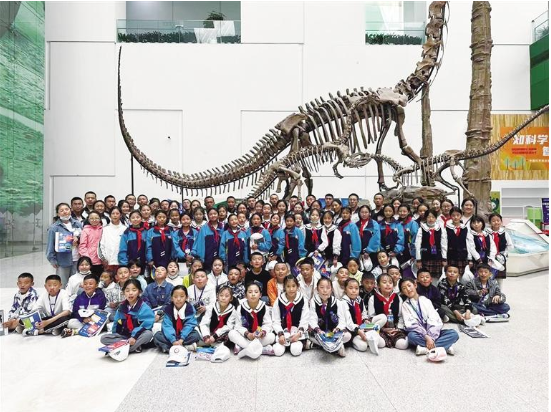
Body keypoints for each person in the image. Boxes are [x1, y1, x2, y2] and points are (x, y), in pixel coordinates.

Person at [400, 277, 459, 355]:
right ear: (402, 292)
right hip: (420, 334)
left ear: (415, 285)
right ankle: (443, 347)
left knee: (453, 334)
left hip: (433, 332)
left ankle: (425, 349)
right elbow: (411, 325)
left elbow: (434, 319)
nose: (408, 289)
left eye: (409, 285)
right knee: (411, 336)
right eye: (404, 288)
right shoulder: (405, 305)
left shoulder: (426, 300)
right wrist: (426, 337)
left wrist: (431, 337)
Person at [101, 279, 154, 353]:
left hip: (138, 336)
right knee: (104, 338)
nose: (130, 293)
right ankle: (133, 346)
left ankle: (126, 349)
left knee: (148, 334)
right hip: (125, 336)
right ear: (123, 292)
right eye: (127, 290)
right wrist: (115, 335)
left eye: (134, 290)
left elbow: (146, 325)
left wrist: (134, 337)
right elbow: (116, 323)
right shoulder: (121, 307)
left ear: (140, 292)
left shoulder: (144, 307)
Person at [229, 281, 276, 357]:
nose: (253, 294)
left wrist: (261, 332)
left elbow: (267, 324)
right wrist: (247, 334)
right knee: (231, 333)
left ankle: (243, 347)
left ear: (260, 295)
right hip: (246, 336)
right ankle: (262, 349)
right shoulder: (240, 308)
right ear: (246, 295)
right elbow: (238, 326)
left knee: (272, 336)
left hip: (259, 337)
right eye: (250, 292)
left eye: (256, 292)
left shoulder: (264, 307)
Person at [307, 277, 349, 357]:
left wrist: (338, 328)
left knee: (347, 336)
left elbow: (342, 320)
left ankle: (325, 346)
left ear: (331, 289)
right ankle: (337, 346)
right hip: (321, 333)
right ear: (317, 289)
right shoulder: (313, 301)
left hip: (333, 333)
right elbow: (312, 318)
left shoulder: (337, 302)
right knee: (308, 334)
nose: (325, 290)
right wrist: (318, 330)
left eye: (328, 288)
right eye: (322, 287)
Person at [153, 285, 201, 353]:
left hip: (185, 335)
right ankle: (184, 347)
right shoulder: (168, 309)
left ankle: (169, 348)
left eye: (182, 296)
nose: (178, 299)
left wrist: (182, 338)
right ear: (171, 298)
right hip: (171, 335)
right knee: (157, 336)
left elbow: (189, 325)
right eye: (175, 297)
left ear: (186, 297)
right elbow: (167, 326)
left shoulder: (190, 309)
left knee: (196, 335)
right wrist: (173, 340)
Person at [367, 274, 408, 350]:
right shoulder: (373, 298)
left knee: (402, 345)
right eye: (384, 282)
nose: (388, 284)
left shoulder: (398, 298)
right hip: (379, 329)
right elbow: (372, 318)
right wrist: (383, 329)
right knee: (381, 344)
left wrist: (397, 328)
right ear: (378, 285)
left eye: (390, 282)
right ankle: (374, 337)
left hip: (394, 328)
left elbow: (400, 316)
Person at [272, 275, 310, 356]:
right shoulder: (279, 300)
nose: (291, 289)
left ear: (298, 286)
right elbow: (276, 320)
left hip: (297, 331)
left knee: (295, 351)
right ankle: (289, 344)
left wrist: (299, 333)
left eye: (293, 286)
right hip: (283, 331)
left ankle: (300, 343)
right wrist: (280, 334)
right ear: (284, 287)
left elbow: (304, 319)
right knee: (278, 352)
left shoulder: (303, 300)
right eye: (288, 286)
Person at [46, 202, 83, 286]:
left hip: (77, 259)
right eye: (61, 210)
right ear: (58, 213)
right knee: (63, 284)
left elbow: (84, 240)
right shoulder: (54, 228)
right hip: (62, 260)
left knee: (76, 285)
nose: (65, 212)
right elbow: (50, 245)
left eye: (66, 209)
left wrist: (78, 240)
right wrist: (52, 260)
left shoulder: (77, 224)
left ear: (70, 210)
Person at [342, 278, 375, 353]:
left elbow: (364, 313)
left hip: (361, 326)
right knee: (363, 347)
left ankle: (368, 337)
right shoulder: (343, 302)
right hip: (351, 330)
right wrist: (358, 331)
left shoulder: (359, 300)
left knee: (375, 326)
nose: (354, 291)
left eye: (356, 288)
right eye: (351, 288)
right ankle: (355, 340)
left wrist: (365, 320)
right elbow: (348, 323)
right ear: (345, 290)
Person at [415, 209, 447, 283]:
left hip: (437, 257)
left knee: (437, 279)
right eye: (428, 217)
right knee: (425, 278)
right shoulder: (421, 229)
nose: (431, 219)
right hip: (425, 257)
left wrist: (444, 258)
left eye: (433, 217)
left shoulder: (440, 229)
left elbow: (444, 244)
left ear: (436, 218)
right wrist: (418, 259)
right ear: (425, 218)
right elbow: (417, 245)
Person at [442, 206, 472, 277]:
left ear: (461, 216)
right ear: (450, 216)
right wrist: (444, 258)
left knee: (462, 276)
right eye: (453, 215)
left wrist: (470, 258)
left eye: (458, 215)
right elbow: (444, 244)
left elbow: (469, 244)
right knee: (451, 276)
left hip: (463, 256)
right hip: (451, 256)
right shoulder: (446, 228)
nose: (455, 217)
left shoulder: (465, 228)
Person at [486, 213, 514, 288]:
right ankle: (489, 293)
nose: (496, 222)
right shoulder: (486, 233)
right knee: (488, 277)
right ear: (490, 222)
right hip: (489, 258)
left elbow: (510, 246)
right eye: (493, 221)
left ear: (501, 222)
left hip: (500, 259)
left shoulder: (504, 233)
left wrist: (503, 254)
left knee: (499, 278)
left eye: (498, 220)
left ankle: (499, 293)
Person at [99, 207, 127, 273]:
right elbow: (101, 245)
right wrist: (103, 259)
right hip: (108, 261)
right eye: (113, 213)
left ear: (120, 215)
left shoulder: (125, 229)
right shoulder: (105, 229)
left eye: (117, 213)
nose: (115, 215)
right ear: (110, 215)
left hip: (121, 261)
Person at [78, 211, 104, 276]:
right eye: (92, 218)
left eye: (96, 218)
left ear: (100, 219)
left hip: (101, 260)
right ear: (88, 219)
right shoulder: (85, 230)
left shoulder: (103, 230)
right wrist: (88, 259)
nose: (94, 220)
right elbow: (82, 246)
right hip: (90, 261)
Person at [397, 205, 418, 278]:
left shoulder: (413, 223)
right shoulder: (396, 223)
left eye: (404, 211)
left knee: (408, 273)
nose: (402, 213)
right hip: (398, 251)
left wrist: (414, 254)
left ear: (408, 212)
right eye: (400, 211)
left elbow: (415, 239)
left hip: (409, 251)